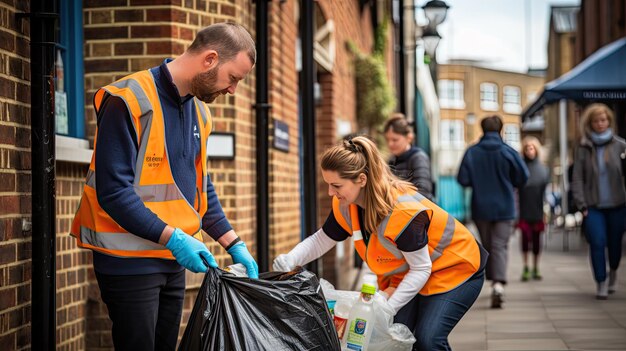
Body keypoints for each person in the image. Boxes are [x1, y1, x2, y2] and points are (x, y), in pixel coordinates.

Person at [70, 23, 259, 350]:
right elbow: (114, 193)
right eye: (234, 78)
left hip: (172, 261)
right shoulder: (128, 99)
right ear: (210, 59)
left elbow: (200, 188)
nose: (232, 90)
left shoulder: (200, 111)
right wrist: (175, 239)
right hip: (128, 262)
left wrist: (233, 242)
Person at [273, 135, 487, 351]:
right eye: (328, 184)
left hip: (457, 269)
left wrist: (387, 308)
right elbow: (322, 239)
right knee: (394, 339)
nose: (331, 193)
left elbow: (421, 268)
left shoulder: (402, 212)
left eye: (336, 185)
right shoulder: (346, 205)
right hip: (413, 274)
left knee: (428, 339)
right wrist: (291, 258)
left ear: (362, 180)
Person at [457, 115, 528, 308]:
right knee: (500, 246)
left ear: (482, 128)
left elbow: (462, 179)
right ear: (500, 129)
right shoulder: (509, 152)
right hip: (505, 206)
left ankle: (495, 281)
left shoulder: (472, 152)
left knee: (489, 245)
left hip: (480, 207)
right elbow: (523, 176)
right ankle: (498, 285)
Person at [571, 103, 626, 300]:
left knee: (614, 244)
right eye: (596, 121)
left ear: (609, 121)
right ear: (590, 123)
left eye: (603, 120)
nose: (600, 124)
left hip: (618, 205)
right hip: (593, 207)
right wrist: (581, 204)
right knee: (597, 241)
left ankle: (613, 272)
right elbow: (577, 178)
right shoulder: (583, 148)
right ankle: (601, 282)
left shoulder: (621, 146)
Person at [517, 136, 549, 281]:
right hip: (523, 210)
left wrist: (546, 211)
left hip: (538, 210)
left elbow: (546, 192)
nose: (529, 150)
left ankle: (536, 267)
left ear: (536, 149)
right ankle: (525, 267)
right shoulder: (520, 168)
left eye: (532, 147)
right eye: (527, 148)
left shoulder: (543, 169)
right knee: (525, 240)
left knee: (537, 242)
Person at [384, 113, 434, 201]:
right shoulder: (392, 161)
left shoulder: (418, 158)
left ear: (409, 137)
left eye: (395, 140)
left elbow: (423, 193)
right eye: (387, 140)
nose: (390, 144)